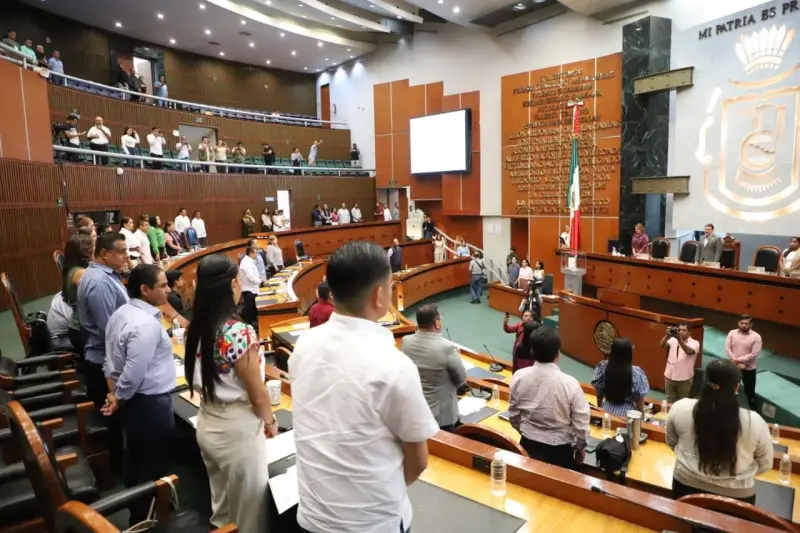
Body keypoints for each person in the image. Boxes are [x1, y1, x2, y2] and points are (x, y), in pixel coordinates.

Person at [290, 241, 438, 533]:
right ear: (379, 295)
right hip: (373, 524)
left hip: (311, 518)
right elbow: (418, 461)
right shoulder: (395, 366)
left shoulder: (304, 345)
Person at [185, 254, 277, 533]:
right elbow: (258, 396)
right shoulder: (238, 333)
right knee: (249, 515)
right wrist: (270, 422)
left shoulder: (195, 326)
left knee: (222, 509)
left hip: (207, 421)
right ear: (233, 286)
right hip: (237, 430)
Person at [101, 264, 175, 526]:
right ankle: (146, 520)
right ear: (145, 289)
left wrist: (115, 395)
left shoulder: (120, 314)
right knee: (152, 466)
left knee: (136, 458)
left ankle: (139, 514)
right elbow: (133, 373)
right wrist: (118, 396)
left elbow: (109, 361)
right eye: (163, 285)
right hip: (150, 405)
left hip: (134, 403)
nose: (169, 290)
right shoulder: (145, 325)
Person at [666, 359, 773, 502]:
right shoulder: (755, 421)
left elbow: (672, 441)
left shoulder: (679, 408)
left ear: (704, 380)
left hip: (685, 487)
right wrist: (741, 474)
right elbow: (766, 463)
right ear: (736, 387)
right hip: (738, 496)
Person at [76, 232, 129, 470]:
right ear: (105, 254)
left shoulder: (105, 276)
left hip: (106, 357)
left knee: (116, 421)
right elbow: (110, 329)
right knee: (113, 422)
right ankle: (118, 468)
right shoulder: (99, 283)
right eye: (122, 252)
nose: (126, 257)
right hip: (103, 362)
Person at [509, 327, 589, 469]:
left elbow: (514, 415)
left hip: (527, 445)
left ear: (532, 351)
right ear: (558, 353)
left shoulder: (519, 377)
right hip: (560, 451)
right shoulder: (570, 383)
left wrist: (526, 431)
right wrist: (580, 447)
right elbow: (581, 423)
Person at [401, 303, 466, 432]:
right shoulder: (447, 348)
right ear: (436, 323)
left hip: (415, 410)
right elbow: (461, 378)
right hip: (441, 418)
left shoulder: (406, 341)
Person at [591, 338, 650, 417]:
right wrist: (642, 418)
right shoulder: (636, 373)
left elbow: (599, 393)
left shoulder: (603, 367)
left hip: (606, 411)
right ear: (629, 352)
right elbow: (639, 401)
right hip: (627, 415)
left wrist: (600, 409)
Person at [62, 233, 94, 356]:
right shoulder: (80, 273)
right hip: (81, 331)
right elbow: (94, 300)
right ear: (85, 253)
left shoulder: (73, 269)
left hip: (79, 328)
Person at [725, 315, 762, 410]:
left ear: (751, 324)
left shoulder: (756, 337)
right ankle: (727, 410)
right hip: (733, 367)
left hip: (748, 369)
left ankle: (753, 412)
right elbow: (727, 349)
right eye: (742, 323)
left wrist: (738, 360)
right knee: (729, 390)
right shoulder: (732, 333)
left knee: (750, 393)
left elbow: (754, 354)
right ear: (738, 323)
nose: (744, 325)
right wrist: (734, 360)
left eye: (746, 323)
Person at [660, 323, 700, 403]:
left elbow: (689, 351)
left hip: (684, 379)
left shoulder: (695, 343)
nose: (681, 332)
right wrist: (666, 336)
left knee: (683, 402)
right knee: (670, 401)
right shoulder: (673, 340)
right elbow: (661, 345)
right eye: (679, 330)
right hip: (669, 376)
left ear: (689, 332)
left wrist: (679, 340)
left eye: (684, 330)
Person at [239, 246, 262, 329]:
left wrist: (259, 278)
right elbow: (251, 277)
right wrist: (259, 280)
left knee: (252, 308)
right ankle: (249, 326)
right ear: (251, 253)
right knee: (250, 309)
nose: (257, 255)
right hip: (249, 290)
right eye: (256, 253)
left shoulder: (249, 261)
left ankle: (253, 325)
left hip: (253, 288)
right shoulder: (246, 263)